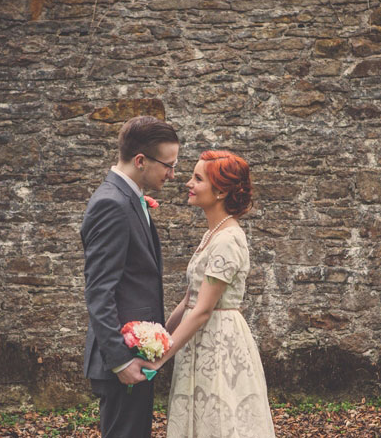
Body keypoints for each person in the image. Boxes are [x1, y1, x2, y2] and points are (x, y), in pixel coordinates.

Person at [147, 150, 276, 437]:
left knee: (219, 419)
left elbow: (204, 309)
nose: (188, 184)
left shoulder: (228, 239)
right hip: (199, 338)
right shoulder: (212, 235)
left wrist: (161, 357)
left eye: (197, 179)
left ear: (220, 191)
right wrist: (158, 340)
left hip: (218, 343)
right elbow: (189, 299)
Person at [80, 116, 180, 437]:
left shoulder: (128, 198)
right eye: (168, 164)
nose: (172, 174)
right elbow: (99, 291)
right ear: (140, 160)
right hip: (123, 360)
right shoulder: (112, 204)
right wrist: (121, 361)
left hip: (137, 355)